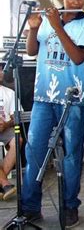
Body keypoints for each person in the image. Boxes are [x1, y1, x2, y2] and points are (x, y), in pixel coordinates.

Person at [22, 0, 84, 227]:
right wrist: (33, 29)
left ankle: (69, 207)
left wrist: (56, 26)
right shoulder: (45, 20)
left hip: (73, 99)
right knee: (34, 151)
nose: (75, 0)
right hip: (44, 97)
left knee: (71, 155)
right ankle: (30, 207)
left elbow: (77, 57)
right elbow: (31, 51)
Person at [0, 64, 20, 201]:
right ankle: (5, 184)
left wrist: (6, 124)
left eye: (1, 69)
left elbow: (16, 117)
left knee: (17, 141)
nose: (1, 72)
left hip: (5, 128)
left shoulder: (9, 93)